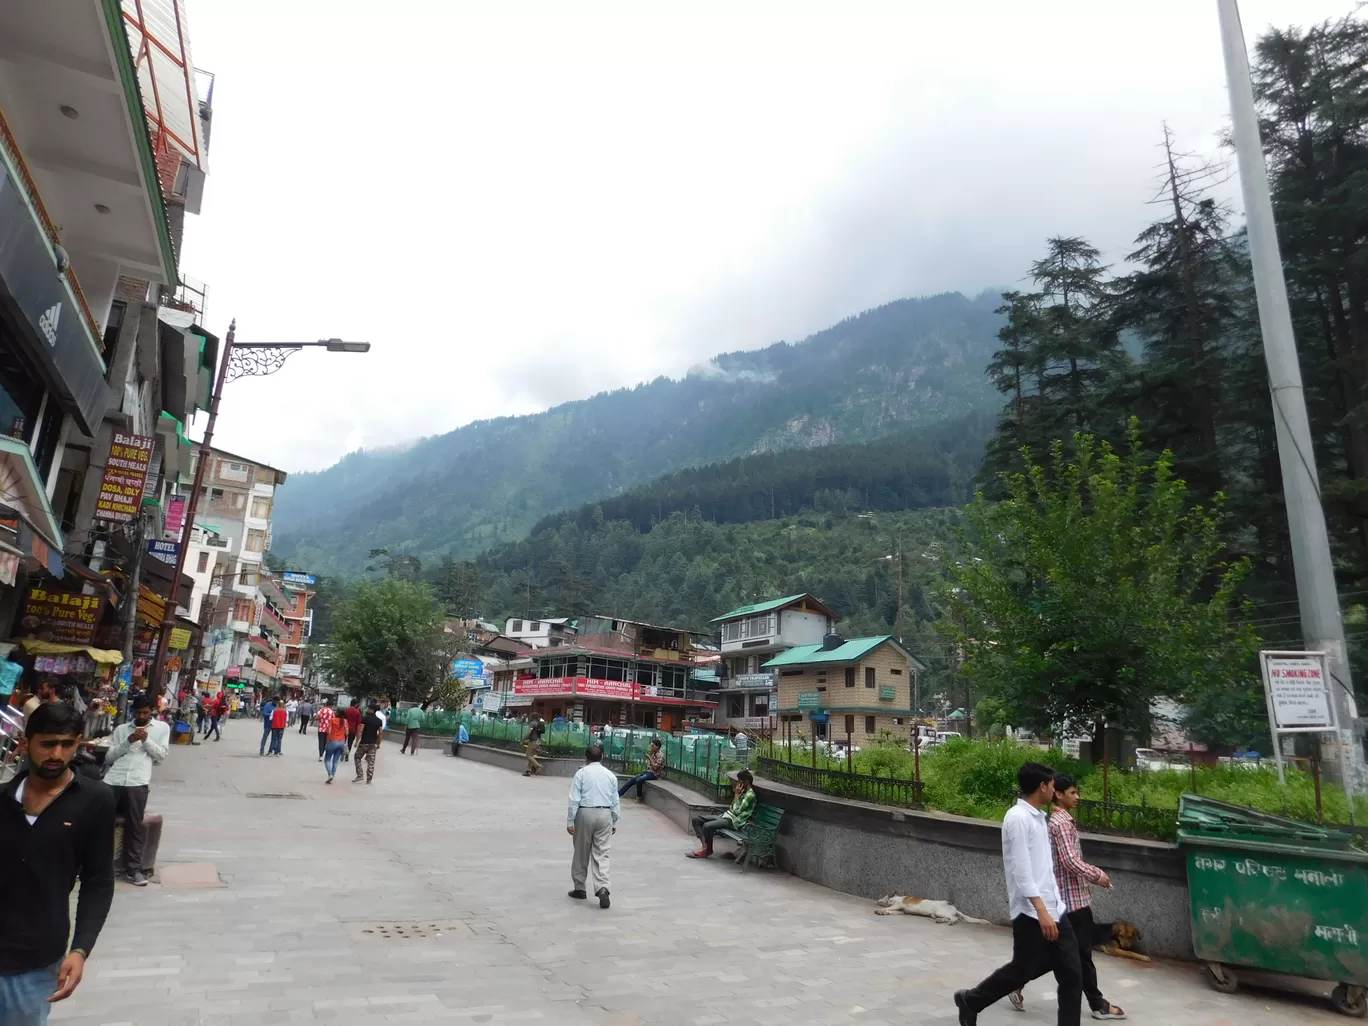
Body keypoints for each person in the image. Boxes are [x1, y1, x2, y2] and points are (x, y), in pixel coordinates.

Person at [0, 702, 115, 1020]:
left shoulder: (95, 801)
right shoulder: (4, 798)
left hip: (34, 959)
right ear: (26, 744)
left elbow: (98, 881)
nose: (57, 755)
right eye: (48, 744)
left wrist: (81, 949)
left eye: (68, 744)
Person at [954, 763, 1082, 1026]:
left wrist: (1055, 906)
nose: (1055, 790)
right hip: (1031, 913)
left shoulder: (1039, 817)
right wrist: (1042, 912)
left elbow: (1043, 868)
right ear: (1043, 787)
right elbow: (1022, 872)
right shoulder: (1017, 818)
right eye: (1052, 785)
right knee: (1021, 970)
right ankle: (971, 1000)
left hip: (1055, 909)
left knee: (1072, 973)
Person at [1009, 774, 1126, 1019]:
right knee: (1080, 955)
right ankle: (1098, 1004)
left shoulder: (1061, 821)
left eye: (1077, 792)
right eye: (1072, 792)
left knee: (1063, 955)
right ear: (1058, 794)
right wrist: (1097, 875)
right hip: (1070, 902)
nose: (1077, 797)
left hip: (1071, 898)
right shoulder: (1059, 823)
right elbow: (1069, 861)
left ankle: (1013, 982)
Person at [101, 696, 170, 886]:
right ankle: (94, 865)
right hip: (113, 779)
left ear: (151, 712)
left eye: (145, 713)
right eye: (138, 713)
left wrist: (146, 740)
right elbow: (109, 757)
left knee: (135, 826)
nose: (141, 716)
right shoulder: (122, 729)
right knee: (100, 822)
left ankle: (134, 869)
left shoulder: (162, 729)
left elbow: (161, 756)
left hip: (138, 781)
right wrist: (128, 742)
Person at [566, 744, 620, 909]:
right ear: (602, 757)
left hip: (585, 812)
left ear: (586, 757)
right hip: (605, 814)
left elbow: (574, 799)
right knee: (602, 853)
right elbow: (615, 800)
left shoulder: (581, 773)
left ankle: (580, 887)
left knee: (581, 851)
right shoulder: (610, 775)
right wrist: (614, 820)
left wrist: (570, 821)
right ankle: (603, 887)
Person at [688, 769, 756, 858]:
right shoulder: (743, 792)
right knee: (696, 820)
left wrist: (736, 795)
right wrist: (737, 796)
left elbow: (736, 811)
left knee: (707, 826)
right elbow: (732, 808)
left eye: (740, 782)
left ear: (746, 782)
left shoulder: (750, 795)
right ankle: (705, 848)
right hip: (727, 816)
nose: (738, 784)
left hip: (734, 822)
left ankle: (707, 850)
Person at [352, 703, 384, 784]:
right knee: (371, 761)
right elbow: (380, 733)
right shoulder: (379, 721)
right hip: (373, 744)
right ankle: (369, 779)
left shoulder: (365, 719)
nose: (367, 710)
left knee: (357, 757)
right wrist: (379, 743)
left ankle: (360, 775)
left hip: (364, 742)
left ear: (371, 709)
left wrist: (356, 741)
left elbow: (360, 730)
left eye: (368, 708)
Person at [323, 707, 348, 783]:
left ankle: (330, 774)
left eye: (336, 711)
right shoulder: (345, 721)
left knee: (327, 759)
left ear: (338, 713)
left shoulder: (333, 720)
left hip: (333, 741)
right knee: (335, 761)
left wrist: (327, 742)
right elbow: (347, 733)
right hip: (341, 742)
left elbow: (329, 732)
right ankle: (332, 776)